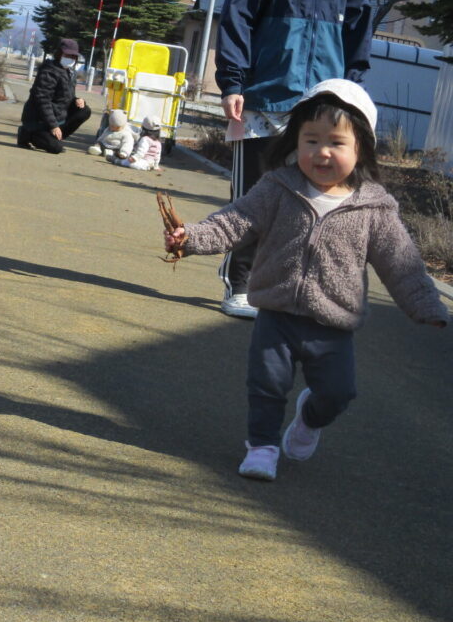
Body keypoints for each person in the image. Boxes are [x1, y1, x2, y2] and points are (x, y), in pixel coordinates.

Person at [162, 80, 448, 481]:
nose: (321, 152)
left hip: (332, 324)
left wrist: (427, 305)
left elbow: (402, 264)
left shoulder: (375, 207)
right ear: (296, 141)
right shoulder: (278, 188)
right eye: (310, 140)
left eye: (336, 142)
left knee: (337, 393)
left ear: (361, 147)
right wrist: (191, 237)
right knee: (267, 385)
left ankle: (309, 420)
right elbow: (234, 221)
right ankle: (261, 447)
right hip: (277, 313)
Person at [214, 0, 372, 319]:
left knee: (309, 201)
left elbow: (358, 26)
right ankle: (240, 283)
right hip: (263, 96)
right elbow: (237, 14)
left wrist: (351, 87)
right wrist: (232, 82)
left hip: (321, 103)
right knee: (251, 197)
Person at [17, 38, 92, 153]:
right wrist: (53, 125)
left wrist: (78, 100)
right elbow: (42, 100)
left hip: (57, 115)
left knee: (84, 110)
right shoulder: (49, 71)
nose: (71, 59)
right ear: (59, 53)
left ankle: (56, 138)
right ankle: (26, 134)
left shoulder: (69, 72)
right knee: (55, 149)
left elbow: (66, 96)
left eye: (73, 56)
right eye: (68, 55)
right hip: (38, 119)